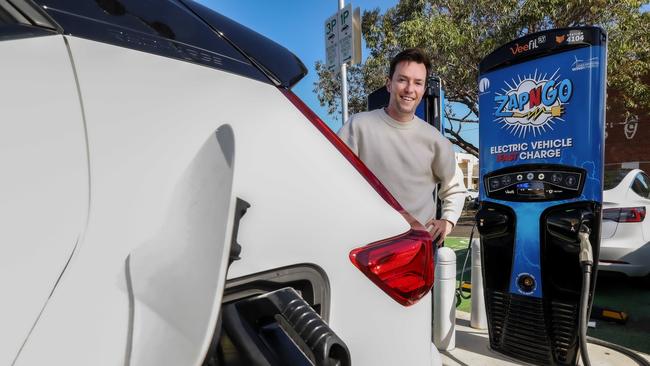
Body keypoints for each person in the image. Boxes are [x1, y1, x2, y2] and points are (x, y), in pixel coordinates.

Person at [337, 48, 466, 244]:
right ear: (389, 84)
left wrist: (447, 220)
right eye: (402, 80)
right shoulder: (358, 126)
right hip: (366, 245)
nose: (409, 89)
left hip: (415, 250)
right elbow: (336, 178)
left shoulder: (435, 140)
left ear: (423, 90)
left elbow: (454, 187)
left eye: (418, 83)